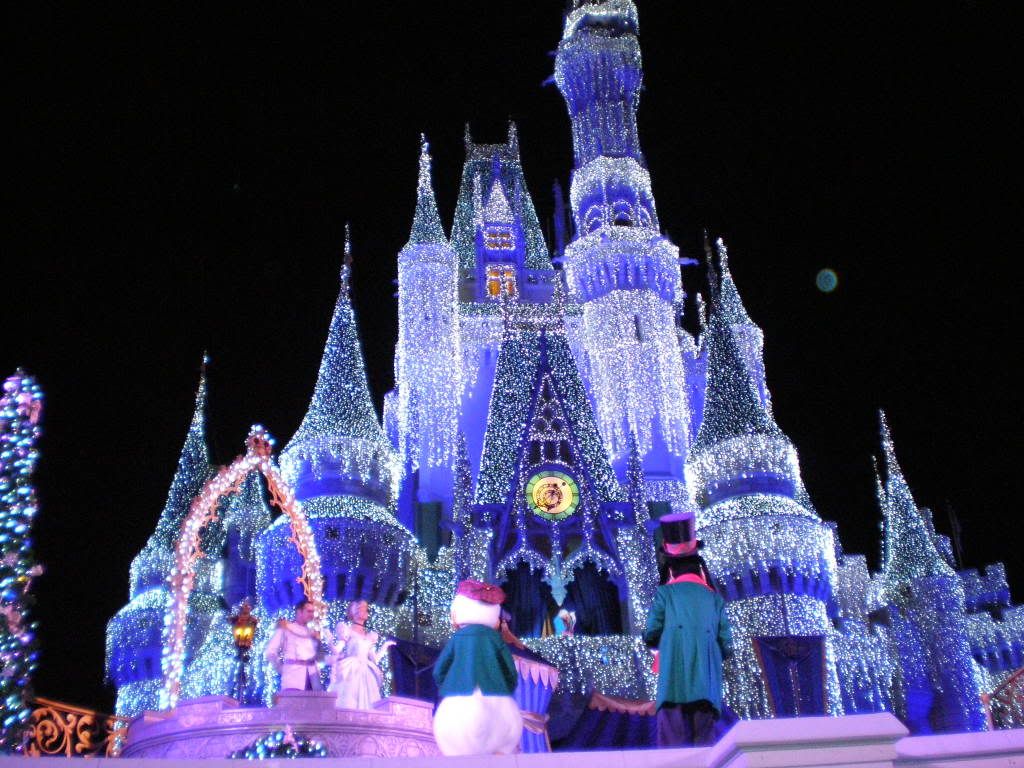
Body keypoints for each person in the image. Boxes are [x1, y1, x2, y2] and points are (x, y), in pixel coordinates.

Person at [644, 511, 733, 747]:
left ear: (672, 568)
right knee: (706, 744)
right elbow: (727, 643)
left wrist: (657, 645)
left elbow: (651, 633)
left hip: (674, 680)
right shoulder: (714, 599)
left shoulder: (666, 593)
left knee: (673, 744)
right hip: (706, 683)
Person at [432, 580, 522, 756]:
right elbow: (510, 671)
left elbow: (439, 671)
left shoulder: (458, 639)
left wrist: (449, 686)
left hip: (459, 699)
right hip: (495, 697)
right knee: (499, 738)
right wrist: (506, 688)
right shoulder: (495, 639)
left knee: (457, 743)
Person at [328, 599, 394, 709]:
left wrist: (385, 647)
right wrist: (329, 640)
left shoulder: (370, 636)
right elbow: (337, 650)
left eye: (365, 608)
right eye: (360, 608)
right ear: (353, 612)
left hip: (366, 672)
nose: (364, 611)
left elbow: (375, 659)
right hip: (351, 670)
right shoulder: (347, 630)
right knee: (349, 701)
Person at [264, 598, 325, 691]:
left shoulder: (312, 633)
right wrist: (280, 668)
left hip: (312, 679)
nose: (312, 615)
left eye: (313, 612)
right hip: (293, 677)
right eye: (309, 611)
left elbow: (319, 657)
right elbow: (270, 651)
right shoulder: (285, 628)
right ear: (299, 612)